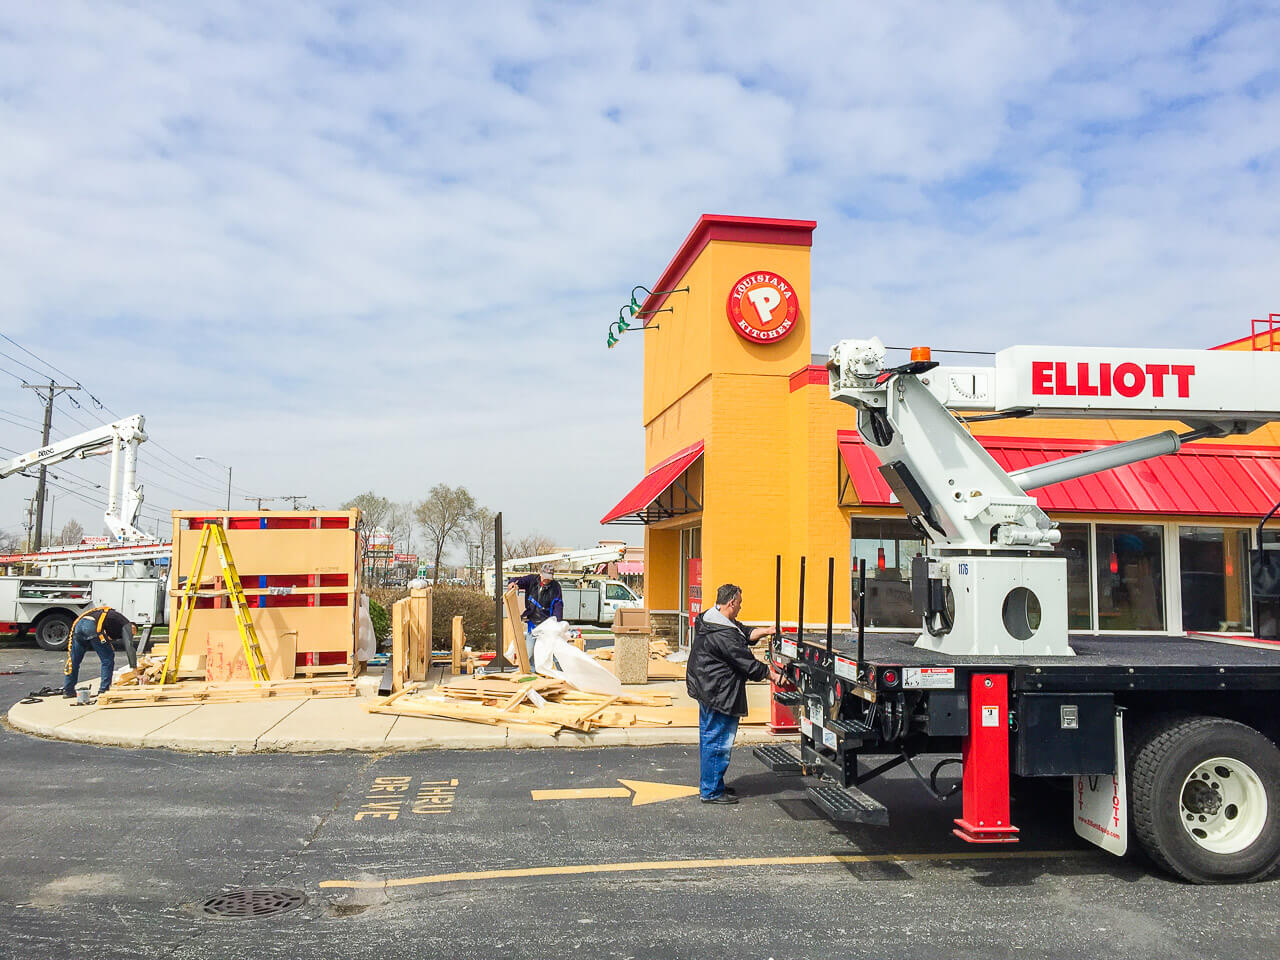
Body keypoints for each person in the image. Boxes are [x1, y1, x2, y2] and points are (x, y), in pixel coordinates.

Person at [686, 583, 780, 804]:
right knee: (717, 741)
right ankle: (711, 791)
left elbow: (743, 632)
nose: (740, 608)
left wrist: (765, 631)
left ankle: (713, 783)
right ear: (731, 603)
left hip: (709, 687)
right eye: (739, 603)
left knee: (711, 738)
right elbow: (745, 662)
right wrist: (773, 675)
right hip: (718, 692)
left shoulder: (716, 620)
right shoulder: (722, 634)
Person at [62, 604, 136, 700]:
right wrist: (134, 668)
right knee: (107, 659)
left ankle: (68, 690)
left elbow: (106, 638)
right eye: (133, 632)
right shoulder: (125, 623)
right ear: (132, 626)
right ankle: (104, 690)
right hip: (92, 626)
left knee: (74, 660)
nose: (132, 634)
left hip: (79, 625)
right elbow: (129, 647)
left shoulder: (112, 622)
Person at [510, 563, 564, 667]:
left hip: (547, 622)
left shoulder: (555, 587)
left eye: (549, 578)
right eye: (545, 577)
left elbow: (558, 604)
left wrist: (557, 622)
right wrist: (512, 582)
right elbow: (518, 580)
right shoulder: (532, 580)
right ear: (541, 574)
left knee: (553, 650)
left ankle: (561, 671)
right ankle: (532, 671)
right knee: (529, 652)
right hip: (533, 622)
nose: (547, 580)